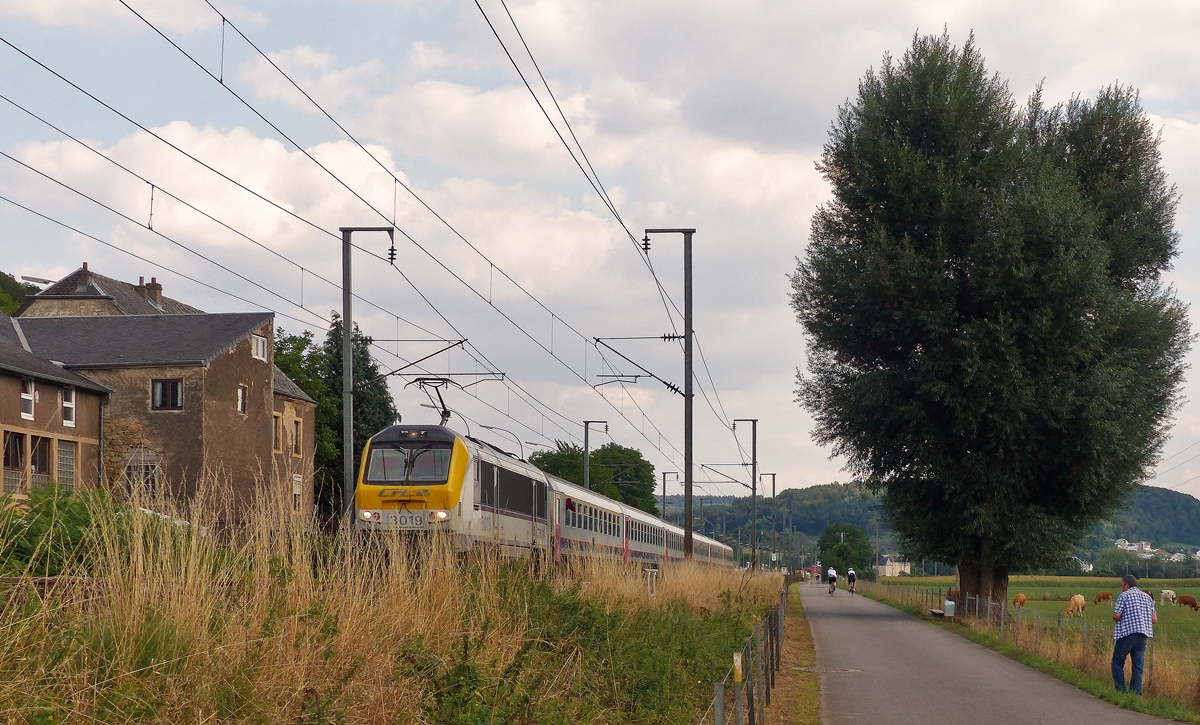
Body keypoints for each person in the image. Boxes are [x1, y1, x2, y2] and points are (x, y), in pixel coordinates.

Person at [1112, 573, 1157, 695]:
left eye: (1122, 586)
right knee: (1138, 667)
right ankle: (1135, 694)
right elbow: (1154, 619)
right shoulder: (1147, 597)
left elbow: (1116, 615)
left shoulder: (1124, 596)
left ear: (1127, 585)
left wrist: (1120, 618)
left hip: (1127, 634)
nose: (1122, 588)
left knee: (1117, 662)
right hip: (1143, 635)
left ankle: (1121, 691)